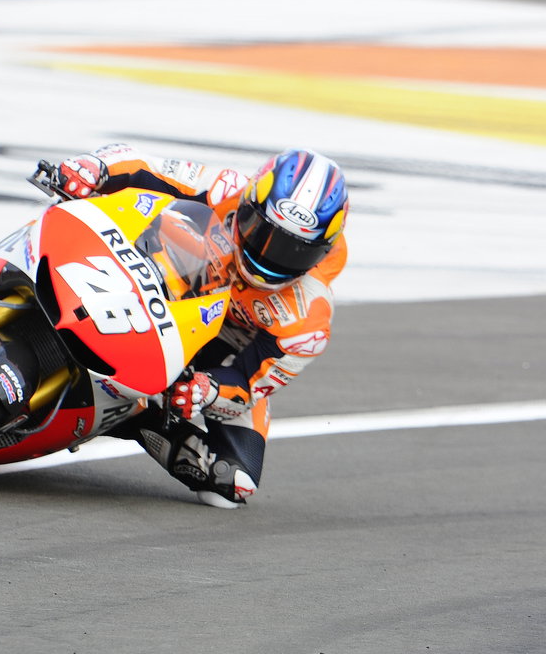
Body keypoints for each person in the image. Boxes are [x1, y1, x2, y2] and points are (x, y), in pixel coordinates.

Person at [52, 143, 350, 508]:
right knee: (77, 202)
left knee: (234, 483)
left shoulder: (309, 318)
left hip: (215, 352)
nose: (267, 255)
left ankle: (130, 415)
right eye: (260, 231)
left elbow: (249, 382)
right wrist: (94, 168)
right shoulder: (227, 188)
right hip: (161, 282)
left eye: (293, 251)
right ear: (247, 205)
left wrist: (207, 391)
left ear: (323, 251)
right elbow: (149, 166)